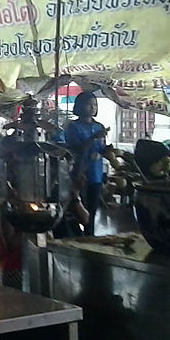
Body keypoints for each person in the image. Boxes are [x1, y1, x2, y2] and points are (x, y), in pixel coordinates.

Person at [64, 90, 109, 236]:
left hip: (96, 175)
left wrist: (108, 150)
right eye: (89, 104)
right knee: (79, 212)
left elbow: (101, 149)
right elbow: (77, 149)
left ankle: (90, 238)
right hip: (80, 175)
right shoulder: (73, 127)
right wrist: (93, 138)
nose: (93, 107)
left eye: (95, 104)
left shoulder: (99, 126)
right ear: (80, 106)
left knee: (92, 212)